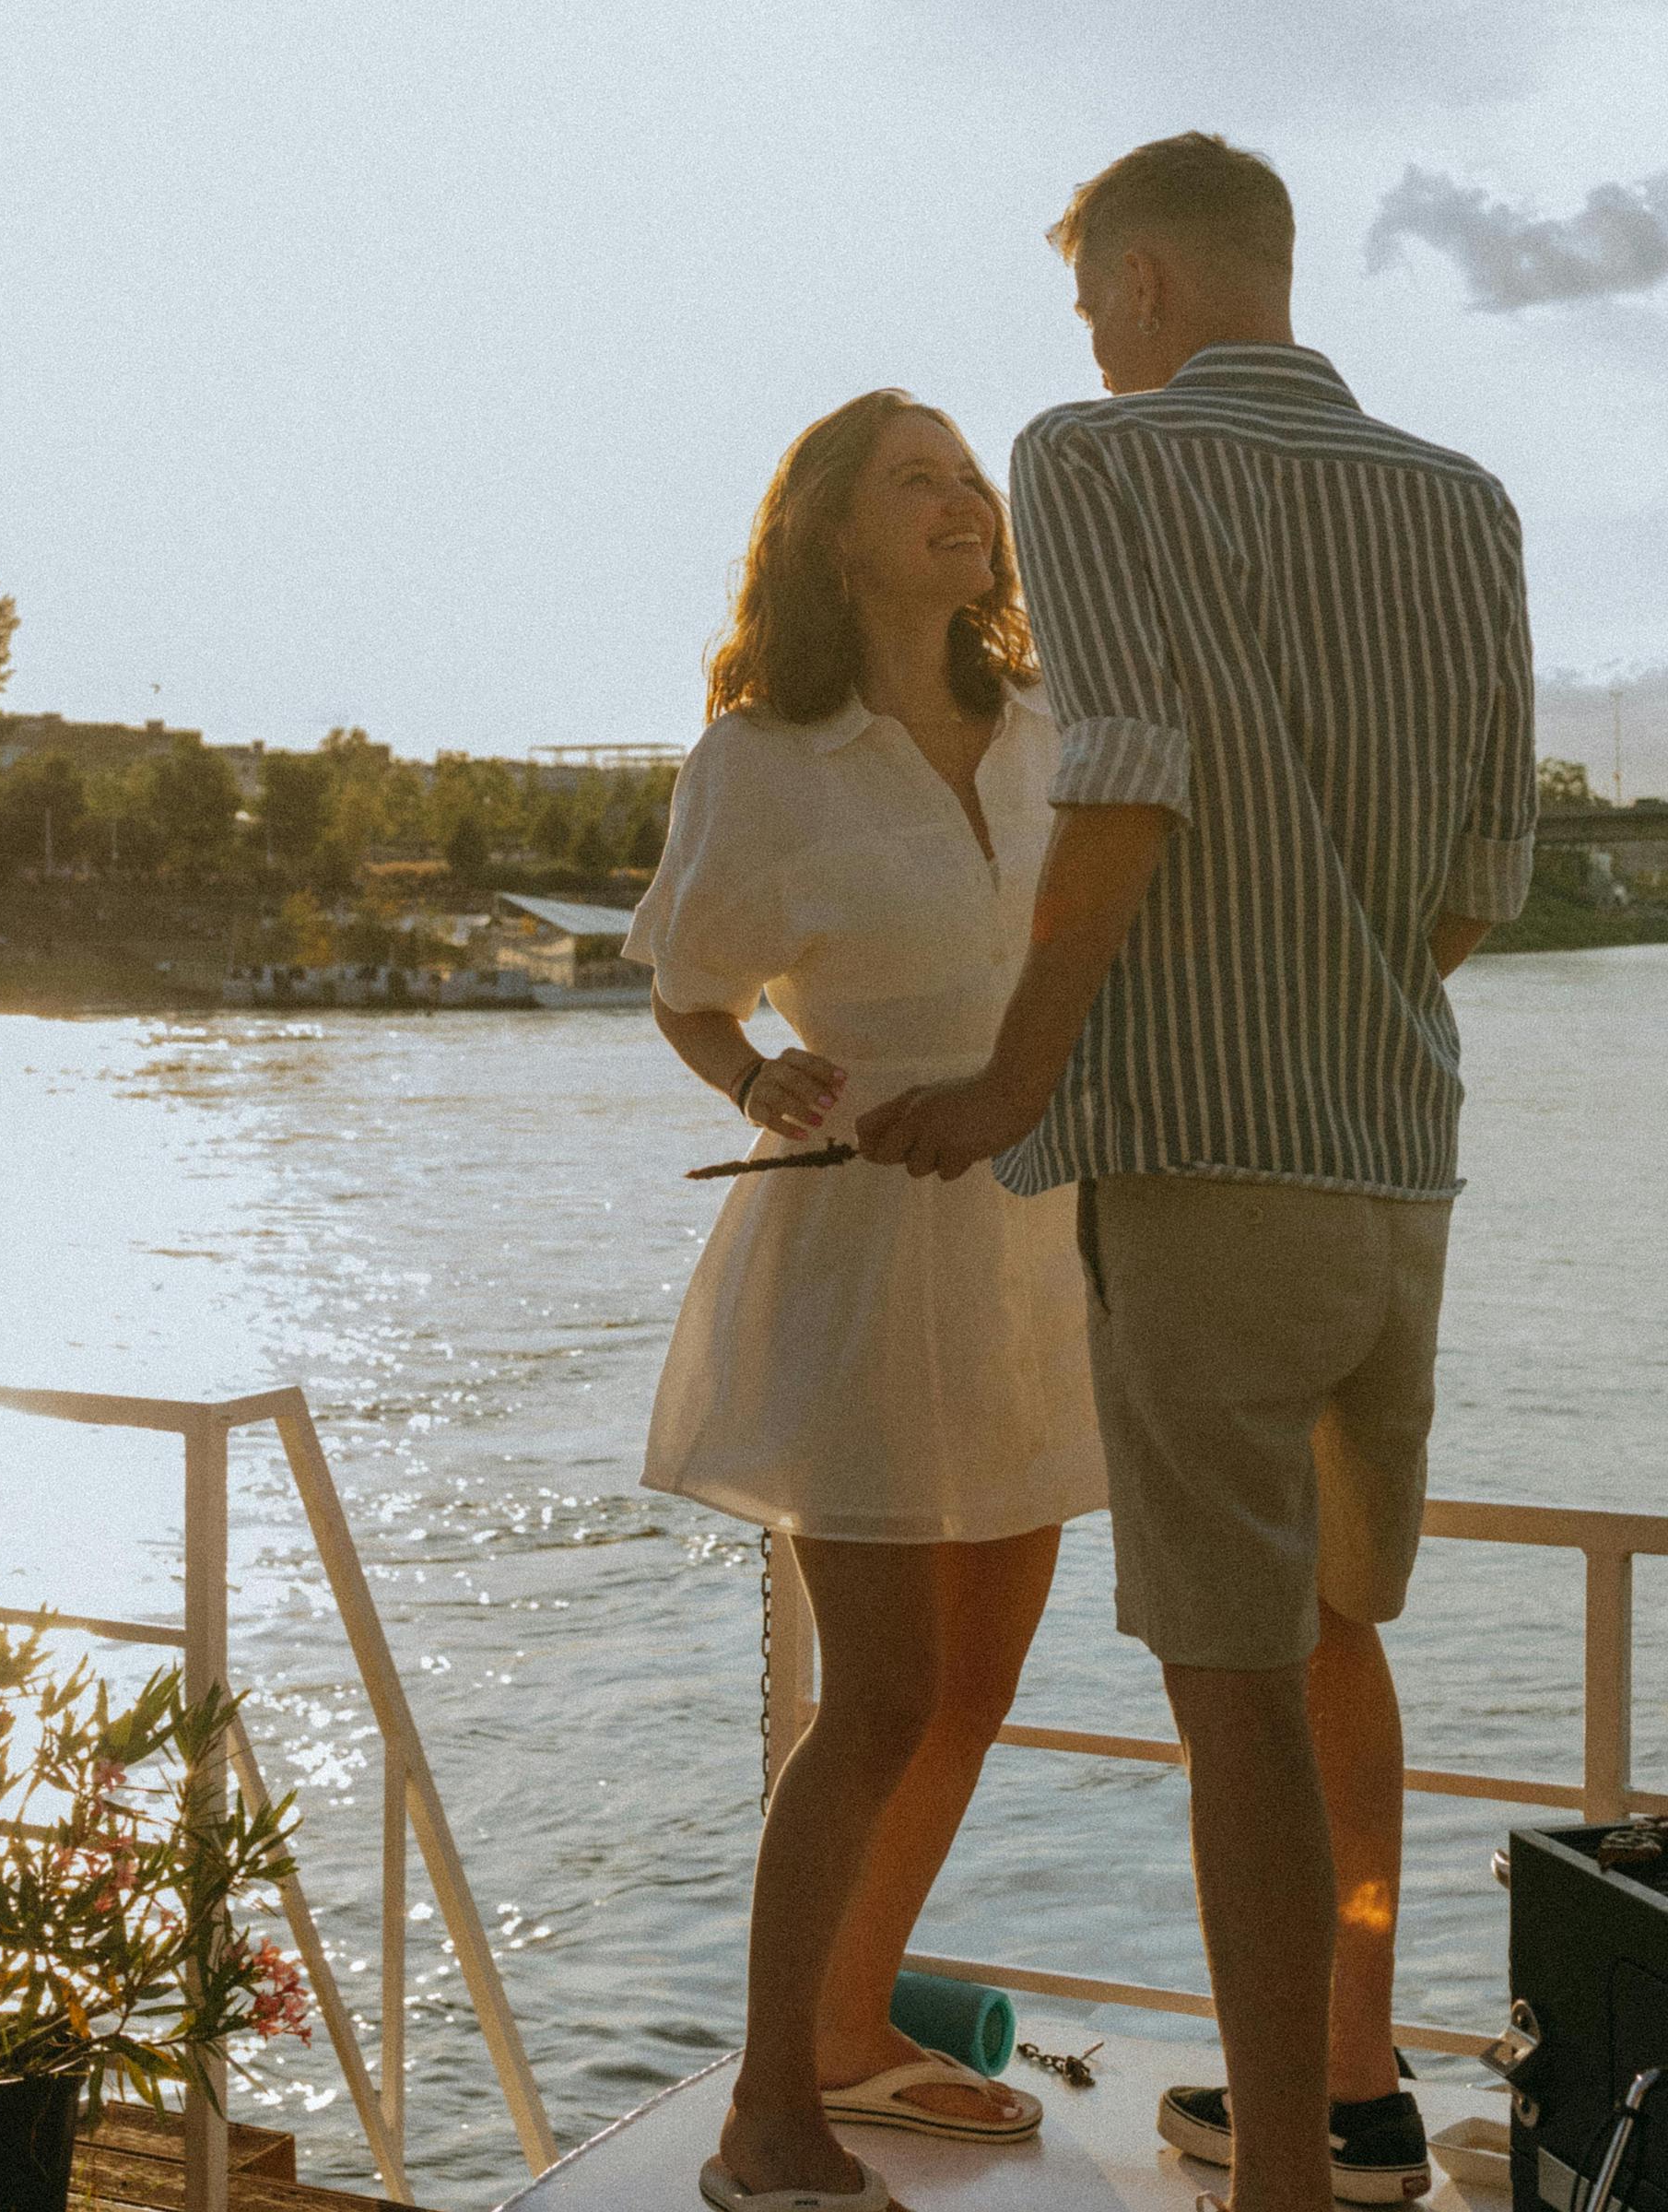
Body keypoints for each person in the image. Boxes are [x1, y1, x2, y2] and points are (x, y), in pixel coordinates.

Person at [856, 133, 1536, 2212]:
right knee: (1339, 1632)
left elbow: (1128, 770)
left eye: (1088, 305)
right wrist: (1336, 1008)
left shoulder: (1101, 454)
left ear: (1142, 283)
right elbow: (1486, 876)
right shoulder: (1467, 502)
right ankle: (1345, 2091)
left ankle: (1280, 2198)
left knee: (1229, 1684)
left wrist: (1003, 1085)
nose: (1085, 347)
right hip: (1393, 1160)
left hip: (1205, 1165)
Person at [625, 388, 1107, 2212]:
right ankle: (768, 2120)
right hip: (873, 1244)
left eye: (969, 475)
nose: (965, 501)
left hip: (1041, 1245)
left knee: (975, 1683)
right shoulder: (765, 755)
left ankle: (844, 2035)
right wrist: (755, 1079)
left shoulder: (1051, 726)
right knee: (883, 1686)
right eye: (920, 480)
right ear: (835, 534)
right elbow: (687, 982)